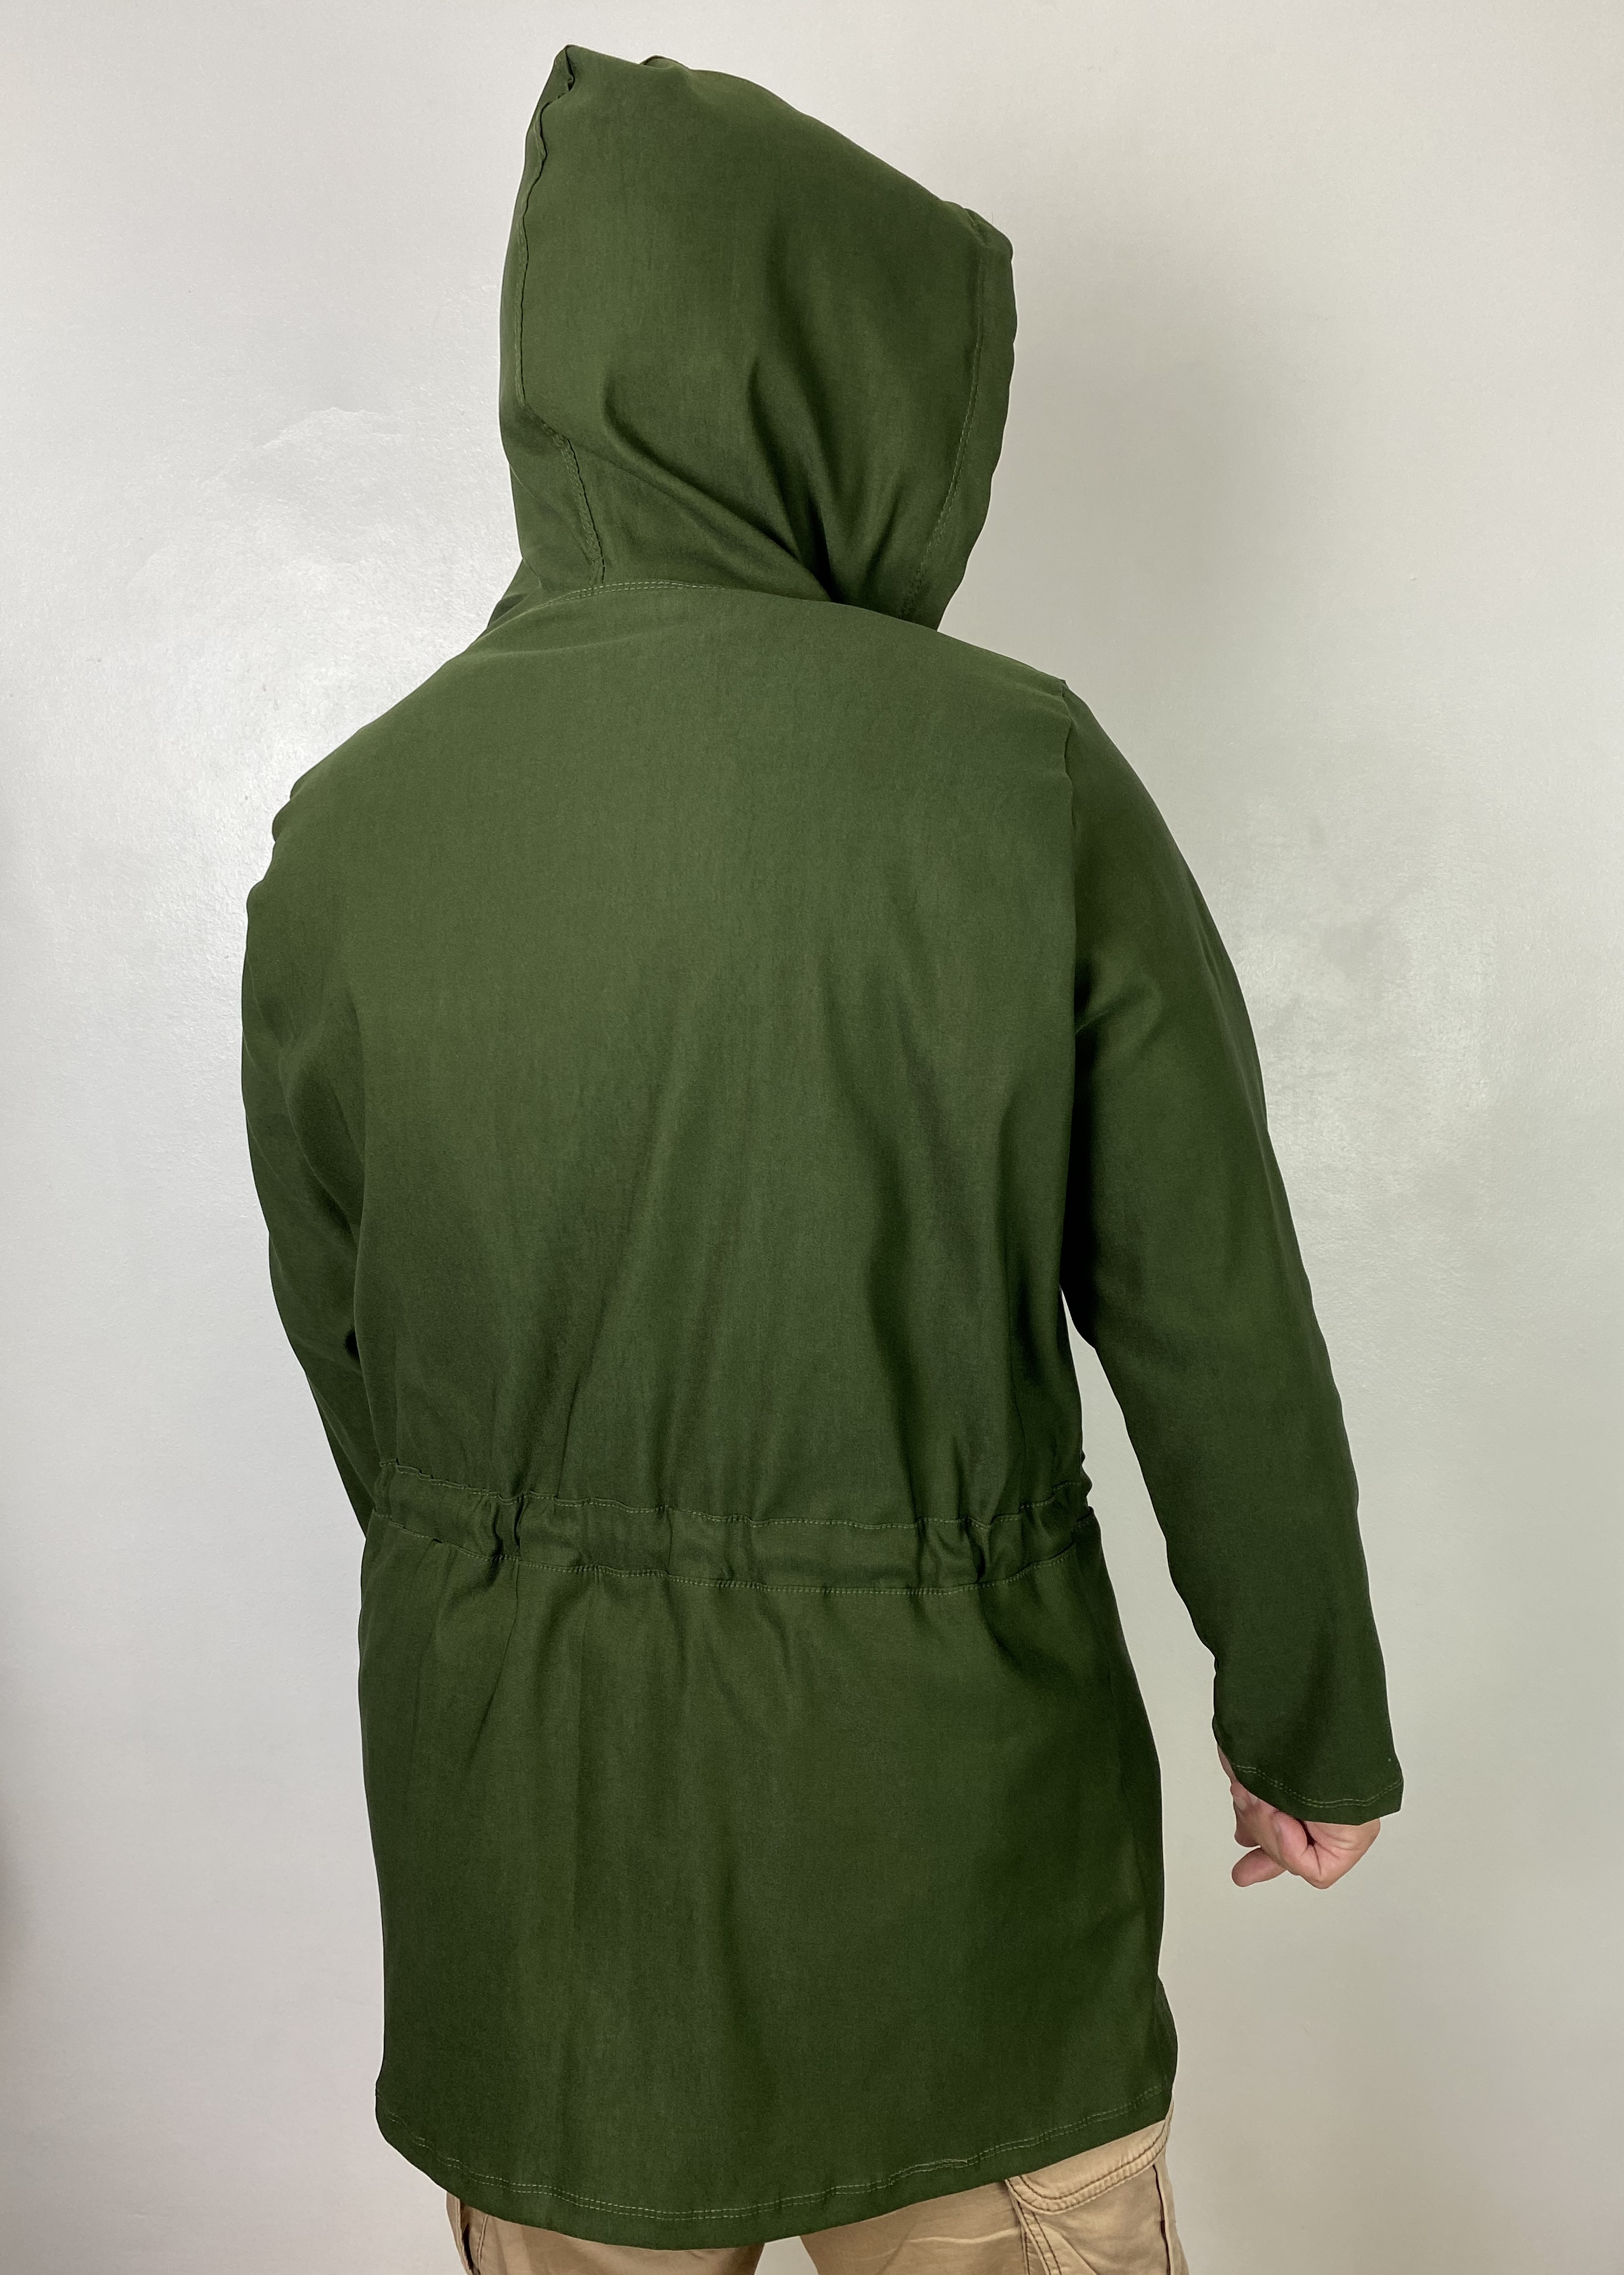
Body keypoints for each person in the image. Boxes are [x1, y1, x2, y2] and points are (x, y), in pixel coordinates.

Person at [240, 45, 1402, 2275]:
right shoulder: (1019, 775)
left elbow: (350, 1337)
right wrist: (1308, 1716)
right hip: (957, 1862)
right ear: (853, 396)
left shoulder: (349, 828)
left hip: (538, 1881)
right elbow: (1209, 1308)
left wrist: (525, 1585)